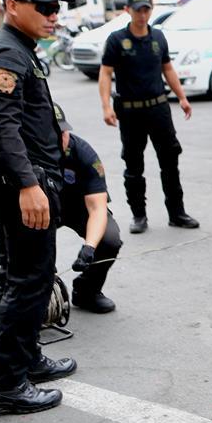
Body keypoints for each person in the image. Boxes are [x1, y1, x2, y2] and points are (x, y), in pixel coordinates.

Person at [0, 0, 76, 414]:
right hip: (21, 185)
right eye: (44, 7)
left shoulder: (20, 50)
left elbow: (29, 114)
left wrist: (59, 128)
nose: (54, 15)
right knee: (31, 281)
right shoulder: (5, 55)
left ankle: (26, 357)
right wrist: (29, 186)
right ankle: (2, 383)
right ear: (12, 5)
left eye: (57, 8)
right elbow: (2, 128)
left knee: (19, 275)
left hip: (21, 181)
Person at [99, 0, 199, 234]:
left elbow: (168, 68)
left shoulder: (158, 37)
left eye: (146, 10)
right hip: (131, 113)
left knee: (170, 162)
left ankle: (176, 213)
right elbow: (105, 73)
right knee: (134, 167)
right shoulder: (116, 39)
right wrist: (105, 106)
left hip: (159, 109)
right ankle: (138, 215)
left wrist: (183, 97)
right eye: (138, 10)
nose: (142, 15)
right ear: (128, 10)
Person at [52, 103, 121, 313]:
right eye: (53, 133)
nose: (60, 138)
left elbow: (98, 208)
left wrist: (89, 248)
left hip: (76, 207)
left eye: (63, 132)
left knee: (108, 239)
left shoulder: (83, 154)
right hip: (42, 209)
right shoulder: (27, 156)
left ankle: (87, 291)